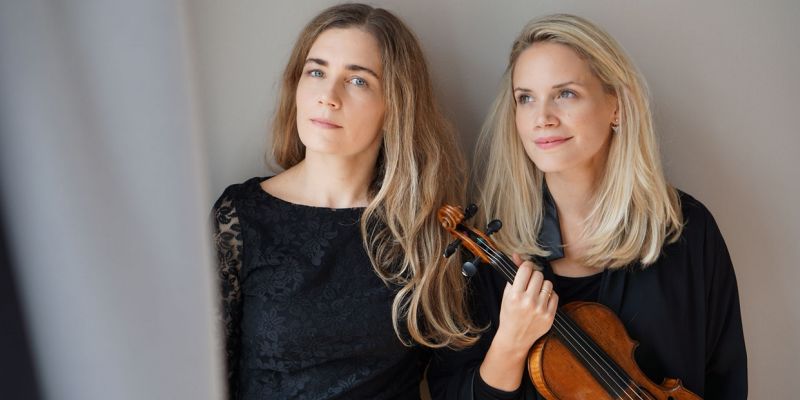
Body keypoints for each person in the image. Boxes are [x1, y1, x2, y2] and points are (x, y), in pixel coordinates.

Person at [427, 13, 747, 399]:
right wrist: (510, 344)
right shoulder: (492, 254)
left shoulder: (685, 230)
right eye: (525, 98)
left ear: (615, 106)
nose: (542, 118)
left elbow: (725, 379)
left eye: (565, 93)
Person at [210, 4, 481, 399]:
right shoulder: (241, 217)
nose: (328, 96)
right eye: (316, 72)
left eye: (358, 81)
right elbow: (207, 376)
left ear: (395, 106)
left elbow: (452, 384)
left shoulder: (424, 226)